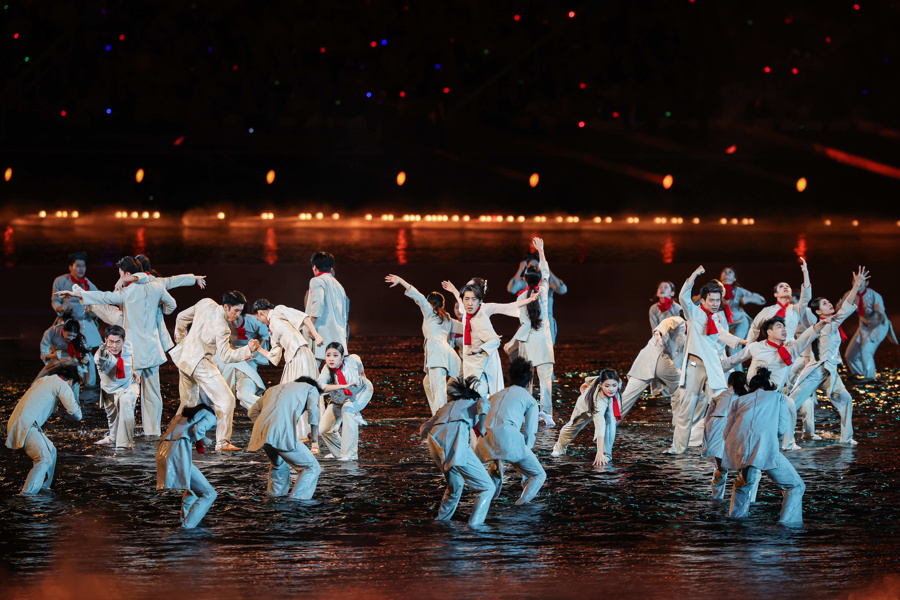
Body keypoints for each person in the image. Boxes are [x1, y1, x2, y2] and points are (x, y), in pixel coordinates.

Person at [56, 256, 176, 439]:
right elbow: (172, 304)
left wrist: (78, 295)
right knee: (152, 395)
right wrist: (160, 310)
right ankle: (152, 433)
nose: (119, 278)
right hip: (152, 352)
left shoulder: (128, 292)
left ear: (128, 274)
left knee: (127, 394)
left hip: (134, 352)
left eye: (121, 275)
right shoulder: (156, 287)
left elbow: (104, 296)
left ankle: (123, 435)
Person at [721, 315, 830, 450]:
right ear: (769, 332)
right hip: (754, 395)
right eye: (779, 327)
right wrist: (712, 369)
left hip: (775, 395)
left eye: (784, 327)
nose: (784, 329)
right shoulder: (756, 347)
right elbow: (732, 361)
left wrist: (821, 324)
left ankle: (788, 444)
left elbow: (806, 337)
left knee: (790, 404)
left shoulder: (790, 350)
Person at [169, 293, 260, 451]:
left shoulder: (205, 303)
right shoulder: (222, 328)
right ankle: (223, 443)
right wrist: (248, 350)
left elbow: (181, 318)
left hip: (184, 358)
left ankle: (173, 439)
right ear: (226, 307)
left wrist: (181, 339)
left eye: (240, 311)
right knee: (227, 399)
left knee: (188, 404)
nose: (238, 314)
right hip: (200, 362)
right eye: (236, 310)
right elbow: (226, 356)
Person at [667, 266, 744, 454]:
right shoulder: (693, 313)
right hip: (694, 365)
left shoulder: (716, 318)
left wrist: (742, 341)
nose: (716, 303)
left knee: (719, 405)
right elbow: (684, 295)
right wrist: (694, 275)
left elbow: (723, 335)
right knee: (687, 407)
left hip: (713, 366)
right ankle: (678, 448)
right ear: (703, 300)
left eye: (718, 300)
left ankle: (717, 445)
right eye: (712, 300)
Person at [791, 267, 868, 445]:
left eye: (828, 302)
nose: (829, 304)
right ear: (818, 312)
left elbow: (844, 308)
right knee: (792, 403)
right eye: (825, 304)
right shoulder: (828, 323)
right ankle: (777, 436)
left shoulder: (827, 323)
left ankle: (846, 438)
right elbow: (847, 308)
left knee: (846, 399)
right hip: (819, 370)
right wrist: (856, 286)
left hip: (829, 370)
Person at [722, 368, 805, 525]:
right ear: (768, 386)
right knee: (795, 486)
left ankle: (735, 522)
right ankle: (787, 525)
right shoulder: (778, 398)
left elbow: (727, 432)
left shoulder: (739, 401)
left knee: (743, 484)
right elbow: (781, 429)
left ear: (750, 388)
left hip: (740, 448)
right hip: (764, 446)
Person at [441, 279, 535, 400]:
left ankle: (492, 410)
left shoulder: (486, 308)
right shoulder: (466, 307)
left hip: (486, 352)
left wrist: (529, 300)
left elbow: (508, 307)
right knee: (472, 387)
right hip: (471, 355)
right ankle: (479, 410)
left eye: (469, 287)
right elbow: (460, 298)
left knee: (490, 385)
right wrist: (453, 289)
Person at [419, 376, 493, 527]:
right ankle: (475, 527)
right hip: (456, 440)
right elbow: (483, 416)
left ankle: (441, 522)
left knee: (455, 485)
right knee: (487, 487)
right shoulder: (477, 400)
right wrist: (483, 425)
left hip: (435, 443)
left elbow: (424, 428)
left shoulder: (446, 406)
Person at [385, 274, 462, 415]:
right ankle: (438, 416)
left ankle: (441, 423)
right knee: (427, 383)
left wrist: (401, 280)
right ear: (443, 305)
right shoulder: (448, 319)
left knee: (439, 392)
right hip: (447, 357)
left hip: (437, 358)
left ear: (430, 304)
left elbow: (417, 295)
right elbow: (467, 328)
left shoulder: (430, 312)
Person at [473, 357, 545, 505]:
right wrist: (523, 455)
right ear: (529, 382)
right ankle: (520, 507)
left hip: (484, 442)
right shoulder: (530, 399)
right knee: (538, 475)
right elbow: (530, 433)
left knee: (494, 475)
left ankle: (486, 508)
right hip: (508, 439)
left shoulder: (495, 396)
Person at [253, 299, 326, 443]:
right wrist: (259, 349)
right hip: (292, 360)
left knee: (300, 393)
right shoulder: (272, 331)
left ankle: (310, 432)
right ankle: (299, 432)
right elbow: (274, 358)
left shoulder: (278, 311)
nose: (261, 322)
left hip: (301, 355)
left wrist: (316, 334)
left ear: (260, 312)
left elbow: (303, 317)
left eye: (259, 318)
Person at [5, 363, 82, 496]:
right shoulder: (63, 385)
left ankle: (43, 487)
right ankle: (26, 495)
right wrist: (75, 393)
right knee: (44, 459)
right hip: (28, 425)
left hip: (20, 422)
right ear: (70, 381)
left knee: (51, 451)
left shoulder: (45, 379)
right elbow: (77, 414)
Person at [506, 237, 557, 427]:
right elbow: (546, 272)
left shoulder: (522, 296)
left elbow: (525, 325)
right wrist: (542, 250)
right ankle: (547, 415)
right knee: (546, 383)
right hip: (543, 344)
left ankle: (530, 414)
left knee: (529, 383)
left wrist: (512, 342)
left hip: (528, 344)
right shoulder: (543, 290)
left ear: (524, 279)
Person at [247, 376, 323, 500]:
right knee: (311, 467)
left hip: (262, 434)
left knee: (279, 464)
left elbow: (251, 412)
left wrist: (265, 427)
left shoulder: (273, 389)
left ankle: (274, 501)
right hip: (281, 432)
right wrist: (314, 440)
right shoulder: (311, 389)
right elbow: (313, 412)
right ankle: (297, 503)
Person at [155, 404, 218, 529]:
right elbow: (198, 428)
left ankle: (185, 519)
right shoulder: (210, 415)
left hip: (163, 452)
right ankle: (187, 527)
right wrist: (205, 439)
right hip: (176, 452)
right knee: (209, 494)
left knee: (191, 488)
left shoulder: (180, 416)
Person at [550, 369, 622, 467]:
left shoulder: (617, 383)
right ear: (600, 385)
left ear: (617, 383)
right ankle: (559, 448)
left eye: (614, 385)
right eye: (607, 386)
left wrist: (587, 383)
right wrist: (598, 452)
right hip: (586, 406)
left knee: (610, 423)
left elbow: (594, 378)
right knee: (572, 426)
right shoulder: (598, 400)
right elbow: (599, 426)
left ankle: (607, 454)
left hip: (609, 403)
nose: (611, 389)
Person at [619, 315, 685, 417]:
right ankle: (680, 422)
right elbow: (667, 322)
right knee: (681, 386)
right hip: (652, 358)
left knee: (628, 396)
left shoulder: (692, 335)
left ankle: (609, 423)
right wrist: (659, 332)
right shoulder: (680, 321)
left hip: (650, 360)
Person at [317, 343, 373, 461]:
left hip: (360, 393)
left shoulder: (353, 359)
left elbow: (361, 369)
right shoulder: (326, 370)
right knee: (324, 429)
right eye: (328, 355)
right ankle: (340, 452)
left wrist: (362, 377)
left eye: (335, 355)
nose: (331, 359)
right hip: (339, 398)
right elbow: (320, 386)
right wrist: (342, 386)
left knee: (348, 409)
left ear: (342, 357)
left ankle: (350, 454)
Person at [507, 246, 567, 343]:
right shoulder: (525, 282)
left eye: (536, 267)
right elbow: (511, 289)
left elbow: (563, 289)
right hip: (529, 322)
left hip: (546, 322)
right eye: (530, 268)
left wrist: (547, 271)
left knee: (546, 351)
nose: (533, 270)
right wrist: (520, 269)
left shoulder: (545, 283)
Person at [843, 273, 897, 382]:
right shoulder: (850, 294)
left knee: (866, 350)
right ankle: (860, 373)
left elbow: (882, 318)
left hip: (878, 326)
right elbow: (842, 310)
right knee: (850, 354)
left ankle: (870, 377)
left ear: (866, 283)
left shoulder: (874, 295)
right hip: (864, 325)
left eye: (860, 283)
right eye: (855, 282)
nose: (857, 285)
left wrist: (879, 311)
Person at [94, 325, 141, 449]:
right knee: (113, 421)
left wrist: (134, 371)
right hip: (109, 390)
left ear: (124, 341)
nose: (114, 346)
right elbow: (101, 360)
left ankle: (124, 446)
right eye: (111, 342)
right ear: (105, 341)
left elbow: (130, 359)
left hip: (128, 386)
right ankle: (113, 438)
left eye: (117, 342)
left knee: (125, 401)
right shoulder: (101, 355)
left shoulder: (128, 347)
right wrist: (103, 351)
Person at [745, 258, 812, 344]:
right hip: (771, 348)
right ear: (775, 294)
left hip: (789, 347)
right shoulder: (767, 310)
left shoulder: (796, 309)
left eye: (787, 286)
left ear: (791, 293)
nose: (785, 287)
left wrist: (805, 272)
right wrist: (749, 343)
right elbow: (754, 327)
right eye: (781, 286)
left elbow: (806, 295)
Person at [700, 371, 744, 500]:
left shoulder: (719, 396)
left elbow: (706, 419)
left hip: (715, 426)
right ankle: (742, 499)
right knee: (744, 467)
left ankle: (716, 498)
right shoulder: (746, 396)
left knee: (720, 467)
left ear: (729, 383)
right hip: (736, 426)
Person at [51, 252, 104, 352]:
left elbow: (99, 300)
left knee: (88, 348)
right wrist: (59, 307)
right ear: (70, 267)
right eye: (78, 266)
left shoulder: (88, 285)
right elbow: (55, 301)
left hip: (84, 320)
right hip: (67, 319)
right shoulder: (60, 281)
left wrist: (92, 310)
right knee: (59, 346)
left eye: (83, 266)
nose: (81, 269)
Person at [305, 251, 349, 364]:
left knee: (313, 368)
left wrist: (311, 326)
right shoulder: (339, 285)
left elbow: (318, 304)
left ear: (314, 267)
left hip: (321, 333)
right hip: (338, 333)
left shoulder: (317, 281)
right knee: (335, 370)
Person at [719, 267, 766, 359]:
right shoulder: (715, 291)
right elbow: (696, 300)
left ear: (734, 278)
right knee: (720, 349)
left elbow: (762, 300)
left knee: (734, 348)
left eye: (730, 272)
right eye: (724, 271)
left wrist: (747, 299)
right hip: (723, 324)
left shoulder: (739, 290)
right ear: (720, 277)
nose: (727, 273)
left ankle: (739, 373)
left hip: (740, 321)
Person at [39, 318, 91, 401]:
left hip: (73, 359)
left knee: (75, 381)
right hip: (56, 357)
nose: (71, 338)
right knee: (40, 379)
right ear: (63, 330)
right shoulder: (51, 332)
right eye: (69, 335)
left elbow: (84, 354)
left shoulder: (79, 338)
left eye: (74, 336)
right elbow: (44, 353)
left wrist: (84, 360)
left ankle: (74, 401)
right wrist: (52, 356)